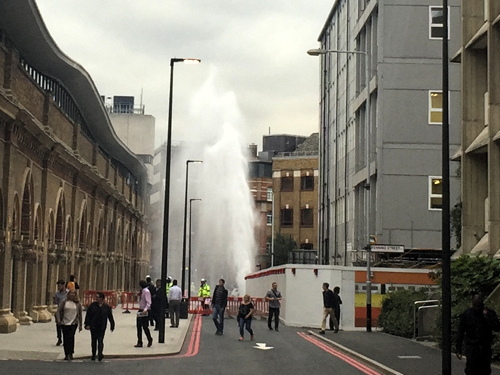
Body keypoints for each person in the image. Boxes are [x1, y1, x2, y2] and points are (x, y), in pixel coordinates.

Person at [456, 293, 500, 375]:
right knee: (471, 369)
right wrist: (458, 348)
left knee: (484, 369)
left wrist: (487, 317)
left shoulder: (489, 313)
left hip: (484, 346)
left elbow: (497, 327)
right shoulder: (467, 314)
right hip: (472, 347)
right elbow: (461, 331)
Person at [84, 291, 115, 361]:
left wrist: (112, 325)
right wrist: (87, 324)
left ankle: (100, 353)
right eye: (96, 297)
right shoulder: (92, 305)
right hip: (93, 325)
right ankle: (94, 354)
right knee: (94, 340)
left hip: (102, 326)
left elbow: (110, 317)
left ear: (102, 298)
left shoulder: (106, 307)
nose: (96, 299)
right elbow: (88, 315)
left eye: (98, 297)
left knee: (100, 340)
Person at [55, 289, 82, 360]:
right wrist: (58, 320)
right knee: (65, 338)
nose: (72, 295)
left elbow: (80, 314)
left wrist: (80, 325)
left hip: (73, 323)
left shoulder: (78, 303)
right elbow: (58, 311)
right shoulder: (64, 302)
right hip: (64, 322)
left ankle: (71, 353)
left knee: (71, 337)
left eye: (73, 293)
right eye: (71, 293)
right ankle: (66, 353)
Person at [135, 280, 153, 348]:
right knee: (138, 326)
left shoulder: (146, 291)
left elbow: (149, 302)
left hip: (145, 311)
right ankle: (139, 342)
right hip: (140, 310)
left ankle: (149, 339)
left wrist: (145, 310)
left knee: (145, 326)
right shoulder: (142, 291)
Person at [53, 279, 67, 346]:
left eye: (60, 286)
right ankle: (59, 338)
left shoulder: (68, 293)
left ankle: (65, 340)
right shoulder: (57, 293)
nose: (59, 287)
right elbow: (55, 302)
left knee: (65, 326)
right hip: (59, 311)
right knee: (58, 325)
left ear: (64, 285)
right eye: (58, 286)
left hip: (66, 311)